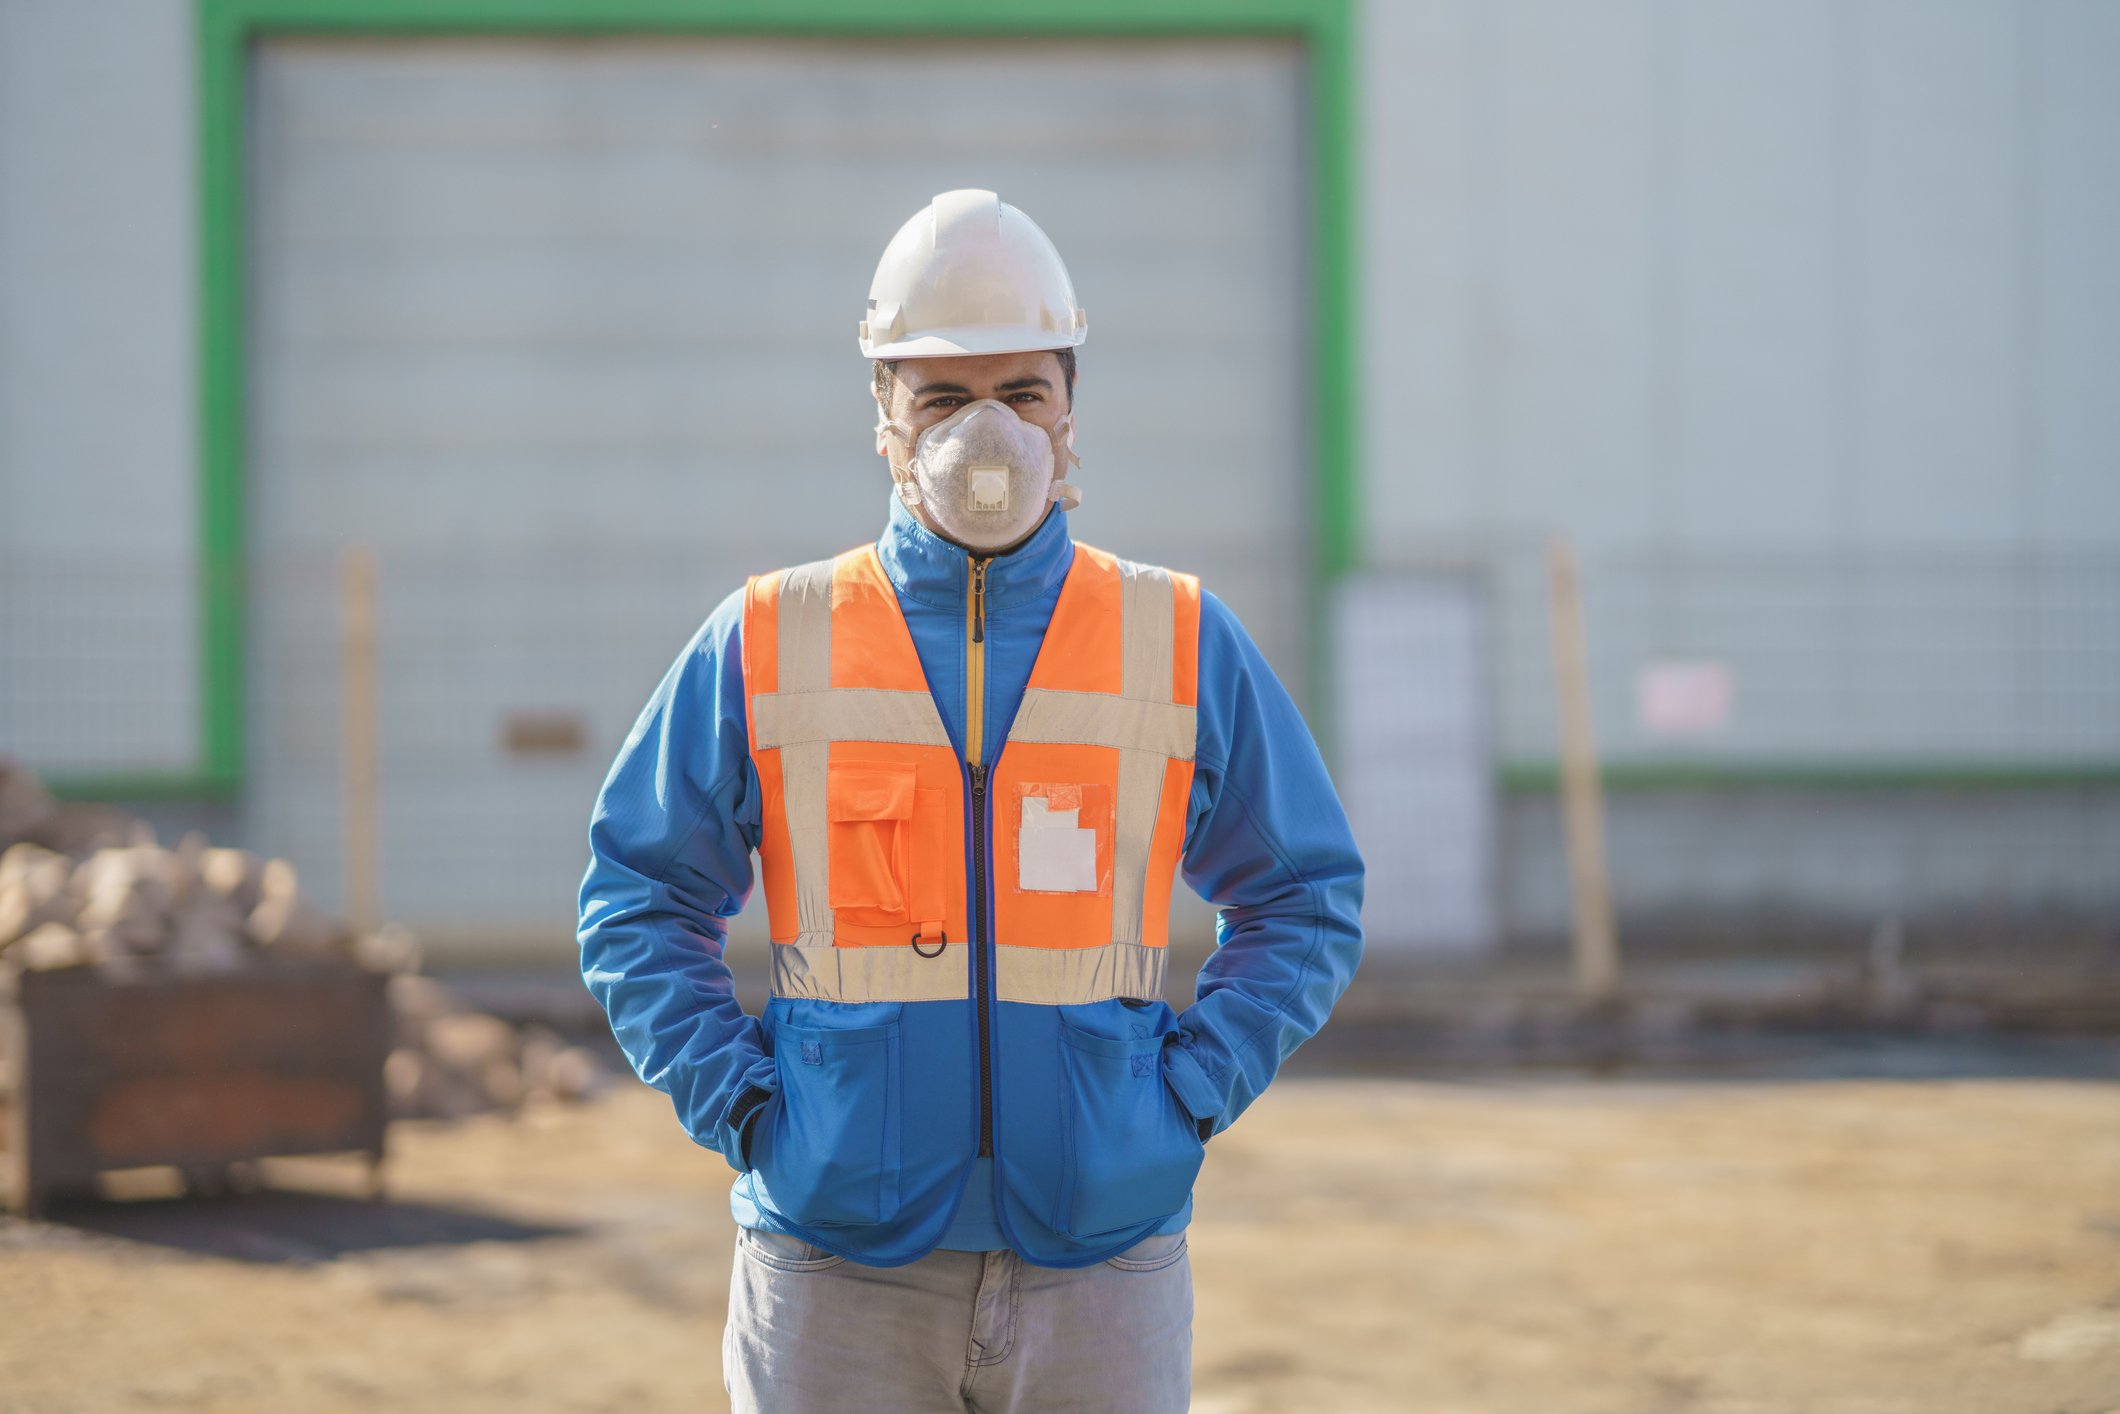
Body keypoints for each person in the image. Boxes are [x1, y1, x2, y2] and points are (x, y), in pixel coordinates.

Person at [577, 188, 1365, 1414]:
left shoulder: (1177, 636)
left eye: (1021, 393)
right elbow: (635, 893)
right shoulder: (770, 637)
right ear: (883, 417)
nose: (985, 432)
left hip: (1103, 1262)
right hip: (834, 1268)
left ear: (1068, 406)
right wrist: (743, 1107)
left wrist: (1186, 1096)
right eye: (942, 396)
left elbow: (1306, 896)